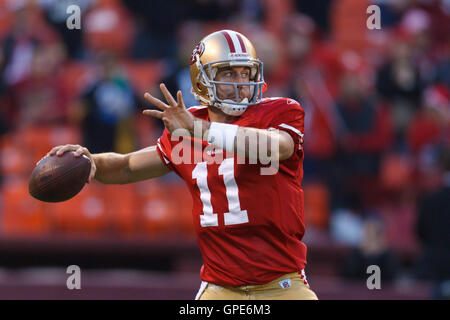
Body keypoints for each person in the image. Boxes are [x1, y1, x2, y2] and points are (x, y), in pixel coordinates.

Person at [47, 30, 318, 300]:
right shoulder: (187, 129)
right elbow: (128, 165)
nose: (240, 84)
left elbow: (278, 147)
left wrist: (201, 130)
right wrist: (88, 160)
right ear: (202, 81)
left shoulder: (278, 111)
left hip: (283, 285)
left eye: (245, 73)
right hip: (220, 287)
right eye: (228, 73)